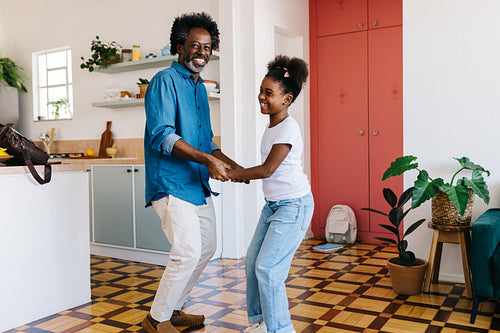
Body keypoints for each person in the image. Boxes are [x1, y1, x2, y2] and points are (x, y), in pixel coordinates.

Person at [142, 12, 242, 333]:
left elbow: (206, 140)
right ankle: (155, 321)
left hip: (195, 183)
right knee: (186, 251)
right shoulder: (163, 81)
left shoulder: (200, 89)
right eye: (195, 45)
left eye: (208, 46)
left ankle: (172, 310)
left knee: (208, 247)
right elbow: (162, 135)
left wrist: (228, 162)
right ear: (178, 46)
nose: (202, 52)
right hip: (170, 182)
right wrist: (208, 161)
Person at [227, 55, 314, 333]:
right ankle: (261, 323)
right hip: (274, 206)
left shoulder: (289, 128)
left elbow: (267, 170)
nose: (261, 97)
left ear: (286, 99)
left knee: (268, 269)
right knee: (253, 261)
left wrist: (231, 173)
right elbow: (264, 170)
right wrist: (238, 171)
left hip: (294, 206)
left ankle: (280, 329)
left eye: (269, 93)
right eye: (261, 91)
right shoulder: (272, 125)